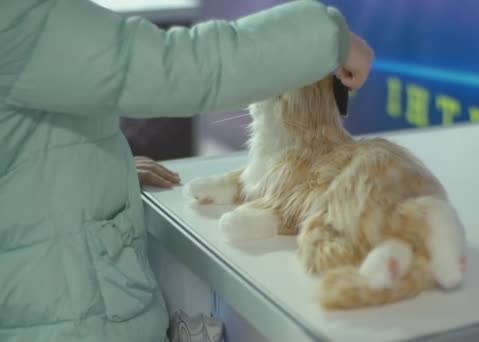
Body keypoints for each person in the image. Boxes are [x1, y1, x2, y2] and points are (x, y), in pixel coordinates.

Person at [0, 0, 373, 341]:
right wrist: (328, 37)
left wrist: (94, 167)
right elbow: (175, 66)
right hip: (69, 316)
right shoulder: (22, 16)